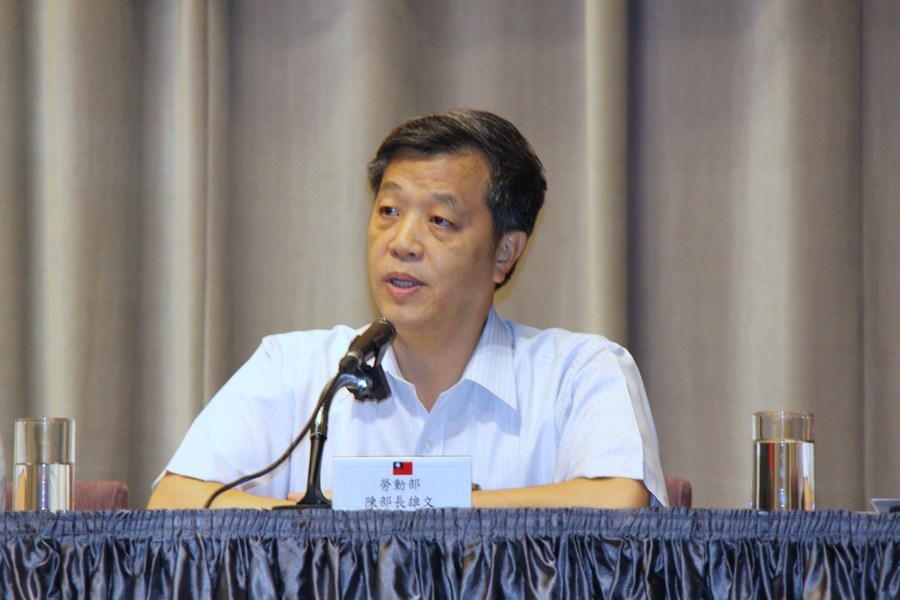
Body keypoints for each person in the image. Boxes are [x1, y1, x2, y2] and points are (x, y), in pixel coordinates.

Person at [148, 109, 667, 509]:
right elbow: (174, 500)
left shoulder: (578, 374)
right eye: (389, 211)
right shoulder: (295, 370)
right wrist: (315, 522)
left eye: (440, 220)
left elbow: (620, 504)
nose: (401, 242)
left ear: (504, 253)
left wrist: (408, 508)